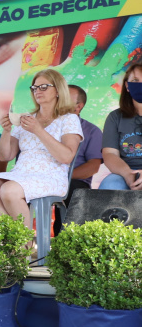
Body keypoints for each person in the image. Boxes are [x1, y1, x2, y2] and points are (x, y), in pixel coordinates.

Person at [0, 69, 82, 236]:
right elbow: (5, 156)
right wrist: (6, 131)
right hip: (21, 174)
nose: (37, 91)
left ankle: (23, 248)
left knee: (9, 190)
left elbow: (66, 157)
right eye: (34, 88)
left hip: (51, 176)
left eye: (43, 87)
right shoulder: (26, 118)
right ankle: (9, 240)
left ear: (58, 90)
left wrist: (38, 130)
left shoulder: (68, 118)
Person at [50, 85, 103, 232]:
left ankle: (65, 243)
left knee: (75, 191)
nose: (59, 102)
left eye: (65, 99)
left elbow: (93, 166)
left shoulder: (92, 131)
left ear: (78, 107)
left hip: (73, 181)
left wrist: (63, 177)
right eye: (58, 97)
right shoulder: (45, 126)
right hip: (42, 178)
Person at [100, 62, 142, 190]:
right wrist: (128, 174)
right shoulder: (115, 117)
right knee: (110, 186)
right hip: (124, 172)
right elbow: (110, 154)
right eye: (135, 80)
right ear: (127, 86)